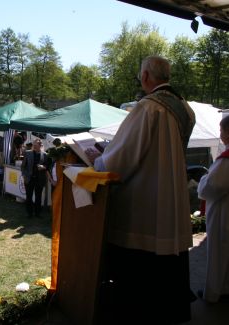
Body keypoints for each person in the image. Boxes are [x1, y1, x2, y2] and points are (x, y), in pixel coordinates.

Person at [94, 56, 196, 323]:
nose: (141, 79)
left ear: (147, 76)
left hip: (146, 197)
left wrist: (100, 160)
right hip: (171, 191)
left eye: (140, 75)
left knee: (140, 274)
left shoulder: (148, 108)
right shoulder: (185, 108)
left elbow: (122, 158)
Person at [197, 115, 229, 303]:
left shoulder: (226, 160)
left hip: (224, 214)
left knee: (219, 253)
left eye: (222, 130)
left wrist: (203, 180)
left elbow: (212, 186)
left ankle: (216, 292)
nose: (220, 134)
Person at [21, 139, 48, 218]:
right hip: (29, 179)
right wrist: (24, 176)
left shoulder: (45, 154)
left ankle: (37, 213)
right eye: (33, 145)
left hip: (39, 179)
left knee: (38, 197)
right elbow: (23, 167)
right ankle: (29, 214)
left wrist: (43, 167)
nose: (34, 147)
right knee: (28, 197)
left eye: (36, 146)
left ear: (40, 146)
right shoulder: (28, 153)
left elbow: (47, 166)